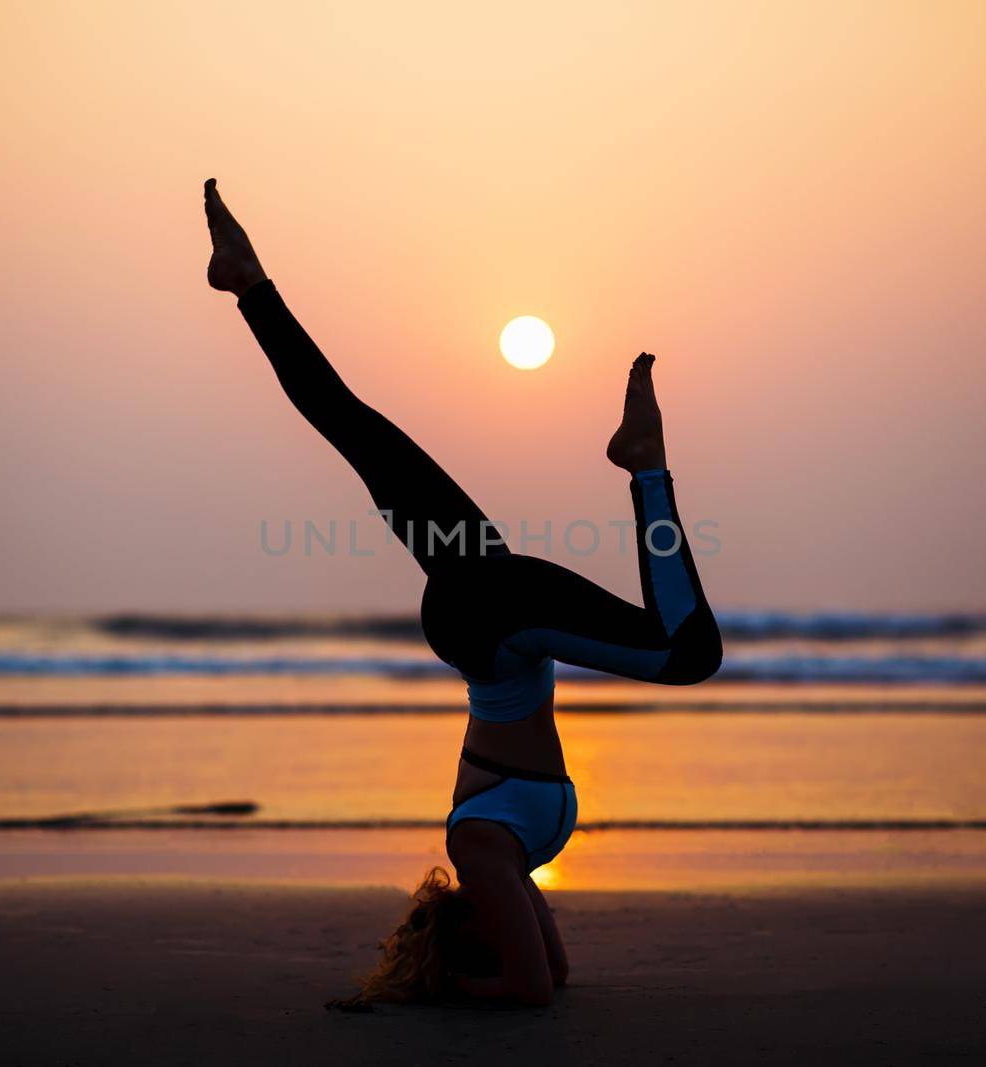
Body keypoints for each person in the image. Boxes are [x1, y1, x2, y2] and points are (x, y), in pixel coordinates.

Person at [204, 178, 721, 1007]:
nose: (512, 920)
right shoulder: (510, 858)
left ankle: (647, 465)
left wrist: (437, 989)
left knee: (685, 653)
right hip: (492, 608)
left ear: (465, 928)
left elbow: (527, 991)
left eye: (492, 928)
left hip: (488, 625)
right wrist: (478, 965)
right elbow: (551, 972)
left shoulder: (481, 848)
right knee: (355, 430)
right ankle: (247, 281)